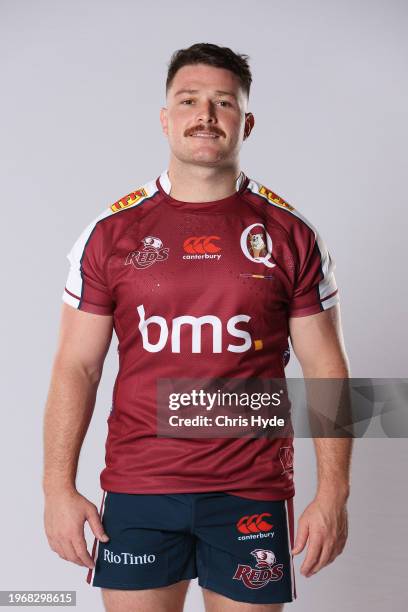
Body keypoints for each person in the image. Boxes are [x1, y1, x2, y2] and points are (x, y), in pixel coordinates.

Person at [43, 42, 352, 612]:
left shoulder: (289, 235)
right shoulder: (111, 233)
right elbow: (77, 366)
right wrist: (57, 489)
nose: (205, 116)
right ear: (166, 119)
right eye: (188, 101)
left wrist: (333, 491)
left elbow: (326, 367)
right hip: (139, 490)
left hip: (249, 490)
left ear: (246, 122)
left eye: (222, 102)